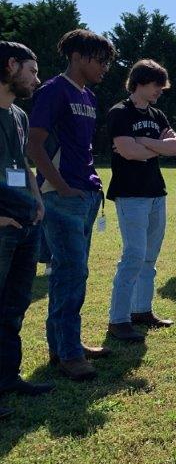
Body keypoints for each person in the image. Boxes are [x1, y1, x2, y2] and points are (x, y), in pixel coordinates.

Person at [27, 29, 114, 381]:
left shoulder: (89, 97)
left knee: (74, 272)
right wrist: (61, 187)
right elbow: (34, 144)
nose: (105, 68)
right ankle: (68, 353)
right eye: (100, 60)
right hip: (62, 198)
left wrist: (91, 187)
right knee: (70, 273)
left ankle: (65, 345)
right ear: (77, 56)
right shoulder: (53, 90)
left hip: (87, 195)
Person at [106, 60, 176, 342]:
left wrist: (145, 143)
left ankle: (142, 311)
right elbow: (127, 152)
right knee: (134, 255)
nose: (159, 91)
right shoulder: (119, 113)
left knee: (150, 257)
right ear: (139, 82)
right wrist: (153, 147)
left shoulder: (158, 114)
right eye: (155, 86)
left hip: (156, 193)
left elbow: (175, 147)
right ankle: (118, 320)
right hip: (130, 194)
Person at [0, 42, 53, 414]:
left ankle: (7, 378)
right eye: (32, 71)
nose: (37, 79)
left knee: (14, 306)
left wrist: (39, 204)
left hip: (26, 224)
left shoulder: (18, 115)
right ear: (11, 65)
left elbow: (24, 163)